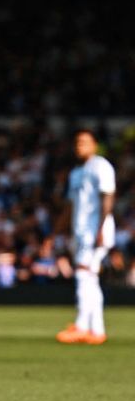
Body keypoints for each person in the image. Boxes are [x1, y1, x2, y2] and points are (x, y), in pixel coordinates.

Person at [56, 129, 116, 345]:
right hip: (81, 231)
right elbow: (70, 205)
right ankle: (97, 330)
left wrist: (100, 228)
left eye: (84, 142)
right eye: (77, 142)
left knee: (83, 274)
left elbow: (108, 196)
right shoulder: (76, 173)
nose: (79, 146)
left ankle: (81, 326)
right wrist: (56, 231)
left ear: (95, 145)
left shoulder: (101, 166)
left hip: (95, 230)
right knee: (90, 278)